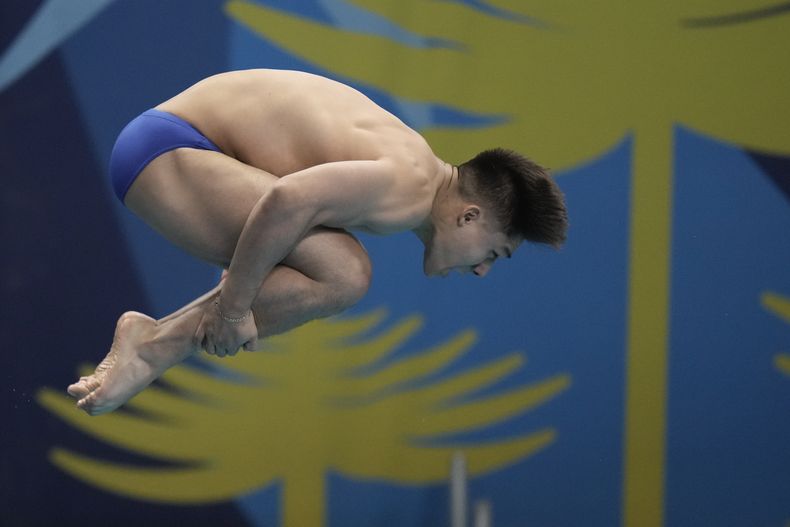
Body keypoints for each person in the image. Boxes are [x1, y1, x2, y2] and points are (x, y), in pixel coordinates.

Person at [67, 69, 568, 415]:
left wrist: (240, 296)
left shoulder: (415, 169)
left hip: (176, 143)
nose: (482, 270)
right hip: (169, 148)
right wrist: (236, 307)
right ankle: (154, 348)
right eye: (495, 253)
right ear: (470, 216)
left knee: (330, 267)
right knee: (346, 273)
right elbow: (287, 199)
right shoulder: (407, 187)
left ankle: (151, 341)